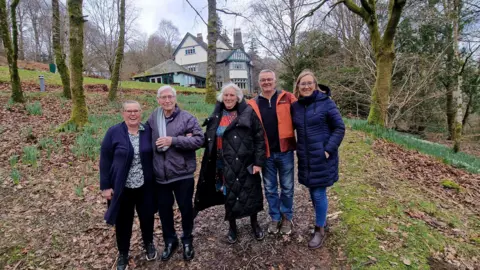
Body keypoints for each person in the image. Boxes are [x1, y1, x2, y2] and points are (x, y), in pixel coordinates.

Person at [194, 83, 266, 244]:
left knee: (251, 193)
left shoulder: (248, 113)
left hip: (245, 162)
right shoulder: (216, 115)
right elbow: (209, 138)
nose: (228, 98)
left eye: (232, 95)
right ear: (221, 97)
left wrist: (258, 162)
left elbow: (259, 138)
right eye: (226, 95)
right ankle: (232, 227)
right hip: (222, 163)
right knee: (229, 194)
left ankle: (254, 224)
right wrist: (191, 137)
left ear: (238, 97)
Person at [147, 85, 204, 261]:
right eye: (163, 97)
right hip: (161, 176)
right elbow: (145, 140)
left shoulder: (187, 118)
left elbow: (199, 139)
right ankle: (170, 241)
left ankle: (187, 239)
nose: (167, 100)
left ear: (175, 98)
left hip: (182, 173)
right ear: (158, 100)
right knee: (164, 211)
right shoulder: (153, 119)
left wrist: (173, 140)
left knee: (186, 209)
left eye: (170, 97)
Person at [100, 100, 157, 270]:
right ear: (122, 113)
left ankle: (148, 243)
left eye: (136, 111)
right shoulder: (114, 132)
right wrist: (106, 186)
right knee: (123, 221)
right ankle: (123, 253)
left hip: (145, 186)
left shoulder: (148, 131)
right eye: (129, 111)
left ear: (141, 112)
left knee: (147, 217)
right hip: (121, 187)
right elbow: (105, 159)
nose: (133, 114)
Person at [291, 70, 345, 249]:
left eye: (309, 83)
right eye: (302, 83)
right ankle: (322, 221)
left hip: (322, 156)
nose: (306, 86)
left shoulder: (326, 103)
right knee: (312, 190)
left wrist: (328, 149)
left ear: (315, 85)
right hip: (306, 157)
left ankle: (319, 229)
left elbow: (339, 128)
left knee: (318, 193)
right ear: (298, 86)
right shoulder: (296, 107)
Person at [247, 69, 297, 235]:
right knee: (269, 188)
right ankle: (275, 217)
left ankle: (286, 217)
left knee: (288, 187)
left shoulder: (287, 98)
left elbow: (304, 114)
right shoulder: (252, 104)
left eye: (269, 79)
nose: (266, 83)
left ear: (275, 81)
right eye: (263, 80)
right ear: (259, 82)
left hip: (286, 151)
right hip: (265, 154)